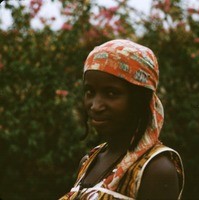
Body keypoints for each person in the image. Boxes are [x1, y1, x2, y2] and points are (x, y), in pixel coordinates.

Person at [59, 39, 184, 200]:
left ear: (139, 99)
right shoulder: (89, 162)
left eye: (111, 93)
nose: (95, 106)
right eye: (90, 91)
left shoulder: (155, 169)